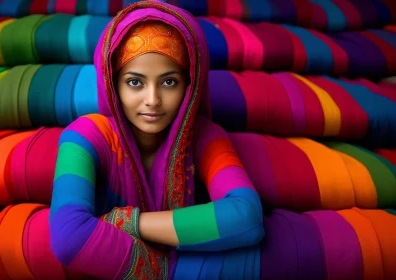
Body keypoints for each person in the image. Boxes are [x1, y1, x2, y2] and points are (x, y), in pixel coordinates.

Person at [49, 1, 264, 279]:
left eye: (169, 82)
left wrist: (131, 224)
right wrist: (166, 270)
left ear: (191, 84)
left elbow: (246, 217)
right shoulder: (84, 137)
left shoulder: (204, 136)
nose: (152, 100)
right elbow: (68, 238)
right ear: (112, 83)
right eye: (135, 82)